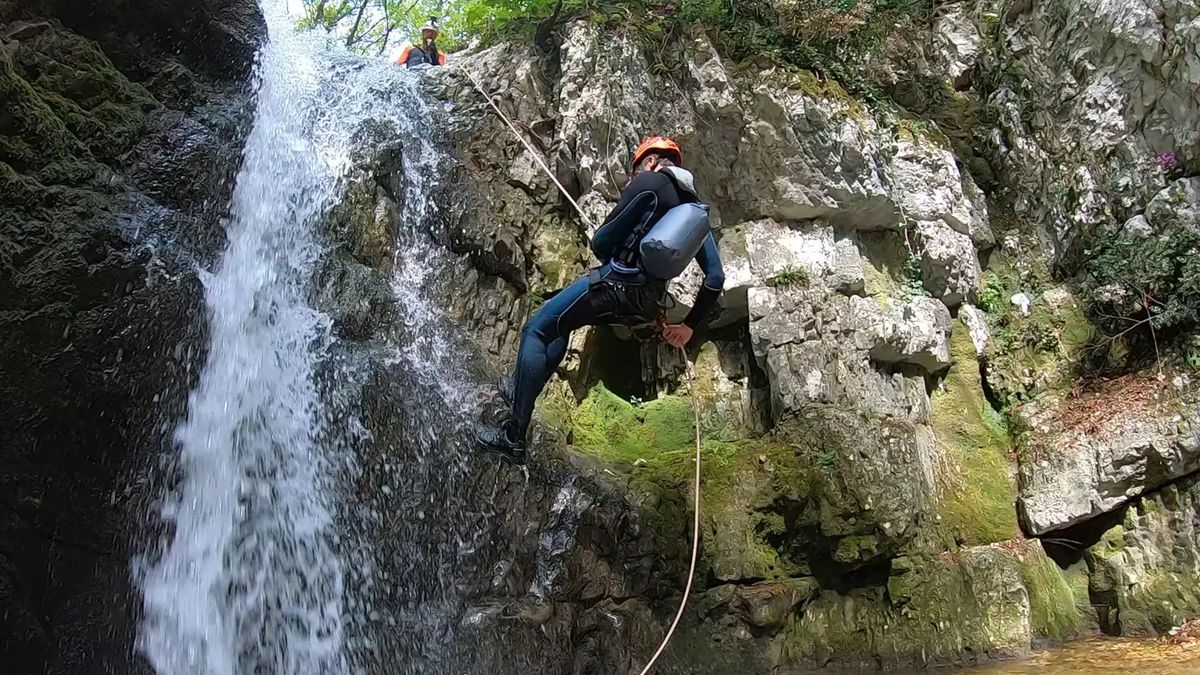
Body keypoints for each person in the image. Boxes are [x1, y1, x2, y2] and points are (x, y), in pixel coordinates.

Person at [476, 136, 725, 465]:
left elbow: (602, 243)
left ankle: (513, 438)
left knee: (537, 328)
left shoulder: (649, 184)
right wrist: (689, 326)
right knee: (562, 324)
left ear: (650, 161)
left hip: (614, 286)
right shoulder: (694, 211)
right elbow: (715, 277)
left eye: (636, 169)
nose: (635, 176)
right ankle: (522, 388)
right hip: (646, 305)